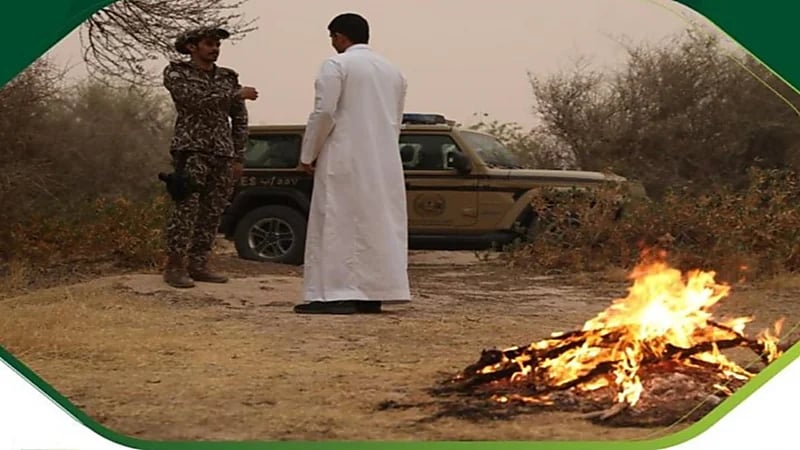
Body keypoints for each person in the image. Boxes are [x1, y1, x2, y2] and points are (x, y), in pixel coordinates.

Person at [293, 13, 411, 315]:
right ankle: (372, 294)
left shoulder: (337, 65)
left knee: (336, 223)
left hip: (344, 156)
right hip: (383, 160)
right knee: (376, 224)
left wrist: (308, 153)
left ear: (339, 37)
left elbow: (324, 113)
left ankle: (334, 294)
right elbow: (395, 121)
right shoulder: (393, 72)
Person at [161, 26, 259, 289]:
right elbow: (191, 100)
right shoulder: (177, 72)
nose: (215, 48)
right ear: (192, 47)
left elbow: (239, 118)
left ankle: (199, 263)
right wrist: (235, 94)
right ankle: (174, 266)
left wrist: (238, 156)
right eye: (209, 44)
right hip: (191, 149)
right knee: (186, 209)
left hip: (222, 152)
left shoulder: (228, 77)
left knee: (212, 210)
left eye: (217, 44)